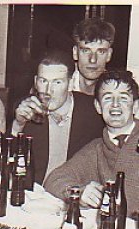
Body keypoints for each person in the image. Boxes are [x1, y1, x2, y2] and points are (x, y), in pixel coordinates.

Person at [44, 70, 139, 216]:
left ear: (136, 107)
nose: (115, 105)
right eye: (108, 98)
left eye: (123, 98)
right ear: (98, 107)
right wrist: (78, 193)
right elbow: (54, 179)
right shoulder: (97, 148)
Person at [11, 49, 104, 184]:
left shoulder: (93, 111)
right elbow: (7, 161)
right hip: (35, 195)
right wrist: (17, 125)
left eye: (57, 82)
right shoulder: (26, 108)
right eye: (43, 81)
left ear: (70, 83)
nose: (49, 91)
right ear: (36, 82)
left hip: (75, 195)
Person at [72, 17, 115, 96]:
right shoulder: (59, 88)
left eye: (101, 51)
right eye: (86, 50)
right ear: (75, 53)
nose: (92, 59)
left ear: (109, 55)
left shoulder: (115, 94)